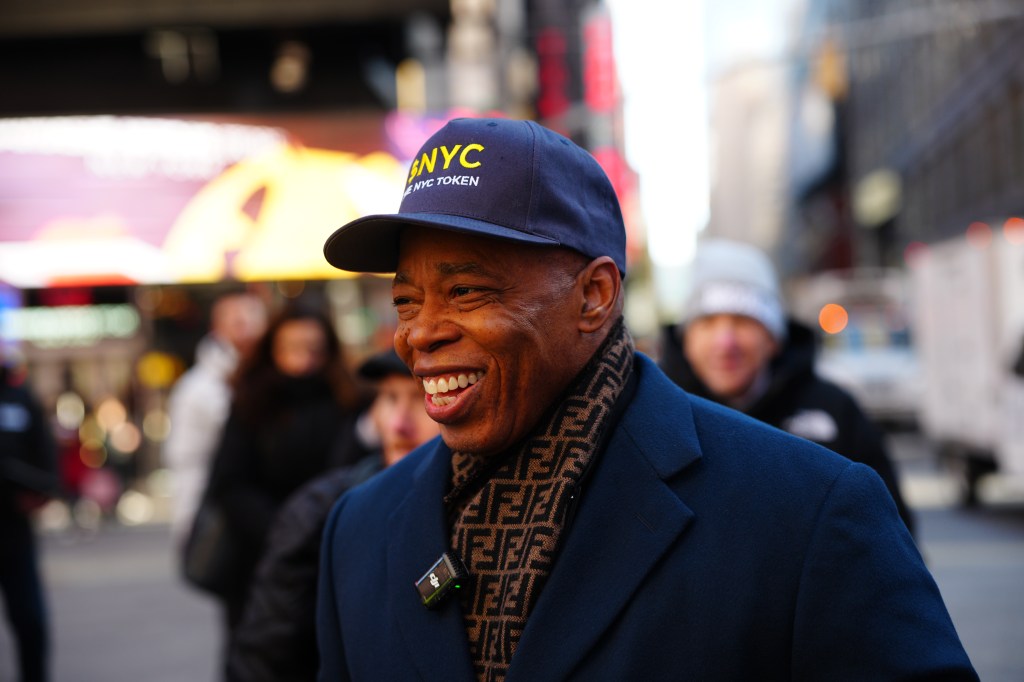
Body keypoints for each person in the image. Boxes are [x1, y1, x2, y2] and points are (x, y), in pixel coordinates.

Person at [315, 117, 976, 680]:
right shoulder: (360, 531)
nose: (421, 332)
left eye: (466, 292)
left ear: (594, 296)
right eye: (406, 300)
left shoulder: (804, 513)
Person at [658, 237, 916, 535]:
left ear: (774, 338)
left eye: (743, 321)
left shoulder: (835, 410)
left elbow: (893, 538)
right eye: (707, 322)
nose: (725, 342)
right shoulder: (657, 417)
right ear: (686, 339)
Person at [227, 348, 439, 681]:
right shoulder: (323, 509)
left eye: (419, 398)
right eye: (388, 397)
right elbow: (265, 651)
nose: (399, 423)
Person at [200, 300, 366, 647]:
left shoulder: (350, 400)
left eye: (314, 349)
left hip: (331, 555)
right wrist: (285, 531)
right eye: (291, 348)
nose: (303, 360)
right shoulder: (251, 400)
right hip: (260, 563)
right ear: (272, 349)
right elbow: (230, 484)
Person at [164, 291, 268, 548]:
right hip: (226, 519)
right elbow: (187, 461)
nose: (248, 331)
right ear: (217, 328)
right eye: (238, 322)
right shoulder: (199, 388)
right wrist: (192, 524)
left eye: (254, 320)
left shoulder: (265, 378)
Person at [0, 353, 58, 682]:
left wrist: (41, 490)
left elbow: (45, 457)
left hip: (14, 529)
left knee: (30, 620)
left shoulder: (20, 397)